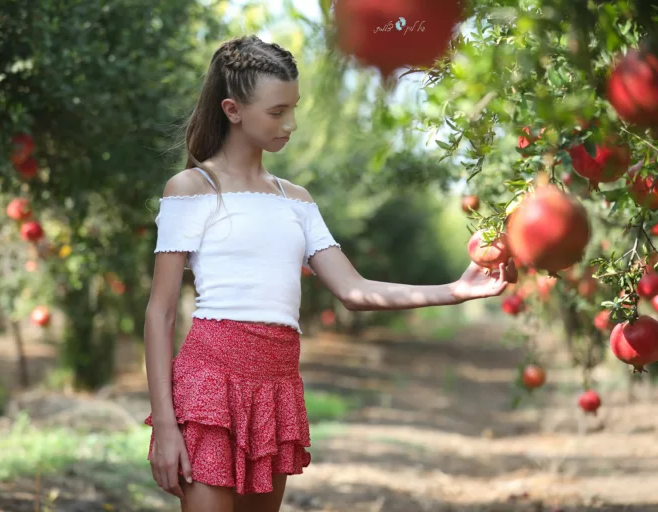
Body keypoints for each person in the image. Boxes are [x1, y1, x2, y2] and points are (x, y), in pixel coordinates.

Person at [143, 35, 514, 512]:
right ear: (232, 110)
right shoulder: (192, 188)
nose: (290, 124)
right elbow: (160, 313)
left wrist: (456, 290)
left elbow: (354, 290)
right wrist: (166, 425)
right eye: (277, 112)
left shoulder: (296, 201)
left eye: (293, 109)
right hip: (209, 386)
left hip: (276, 386)